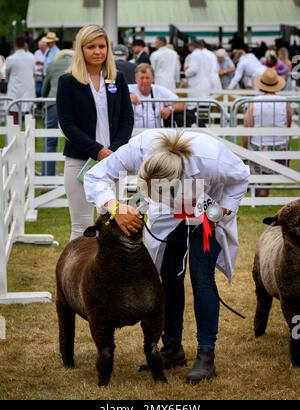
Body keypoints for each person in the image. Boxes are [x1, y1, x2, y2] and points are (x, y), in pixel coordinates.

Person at [84, 129, 249, 383]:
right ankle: (172, 347)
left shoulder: (211, 158)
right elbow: (94, 176)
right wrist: (115, 207)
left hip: (207, 208)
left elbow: (241, 177)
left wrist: (222, 211)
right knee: (169, 274)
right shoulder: (139, 148)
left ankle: (206, 355)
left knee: (201, 276)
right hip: (167, 212)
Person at [56, 24, 134, 240]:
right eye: (91, 46)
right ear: (80, 49)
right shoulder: (67, 81)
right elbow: (67, 124)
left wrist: (112, 151)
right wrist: (98, 151)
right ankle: (75, 275)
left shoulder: (116, 79)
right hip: (80, 162)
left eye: (102, 46)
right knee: (81, 227)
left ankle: (111, 274)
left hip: (114, 161)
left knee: (113, 224)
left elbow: (127, 119)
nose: (97, 51)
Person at [244, 68, 292, 197]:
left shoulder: (254, 102)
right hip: (280, 145)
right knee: (267, 177)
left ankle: (260, 191)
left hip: (258, 145)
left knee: (261, 176)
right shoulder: (285, 101)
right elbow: (288, 125)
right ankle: (263, 192)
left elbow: (247, 127)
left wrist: (244, 149)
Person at [41, 49, 74, 177]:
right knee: (72, 140)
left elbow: (45, 87)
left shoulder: (51, 65)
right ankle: (69, 175)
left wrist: (42, 101)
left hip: (52, 102)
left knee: (50, 140)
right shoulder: (78, 63)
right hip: (72, 103)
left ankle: (47, 176)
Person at [5, 36, 35, 124]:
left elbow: (5, 73)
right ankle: (32, 137)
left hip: (15, 91)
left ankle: (14, 136)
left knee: (14, 117)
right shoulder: (32, 57)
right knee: (30, 117)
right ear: (25, 44)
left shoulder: (10, 59)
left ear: (14, 45)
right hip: (28, 92)